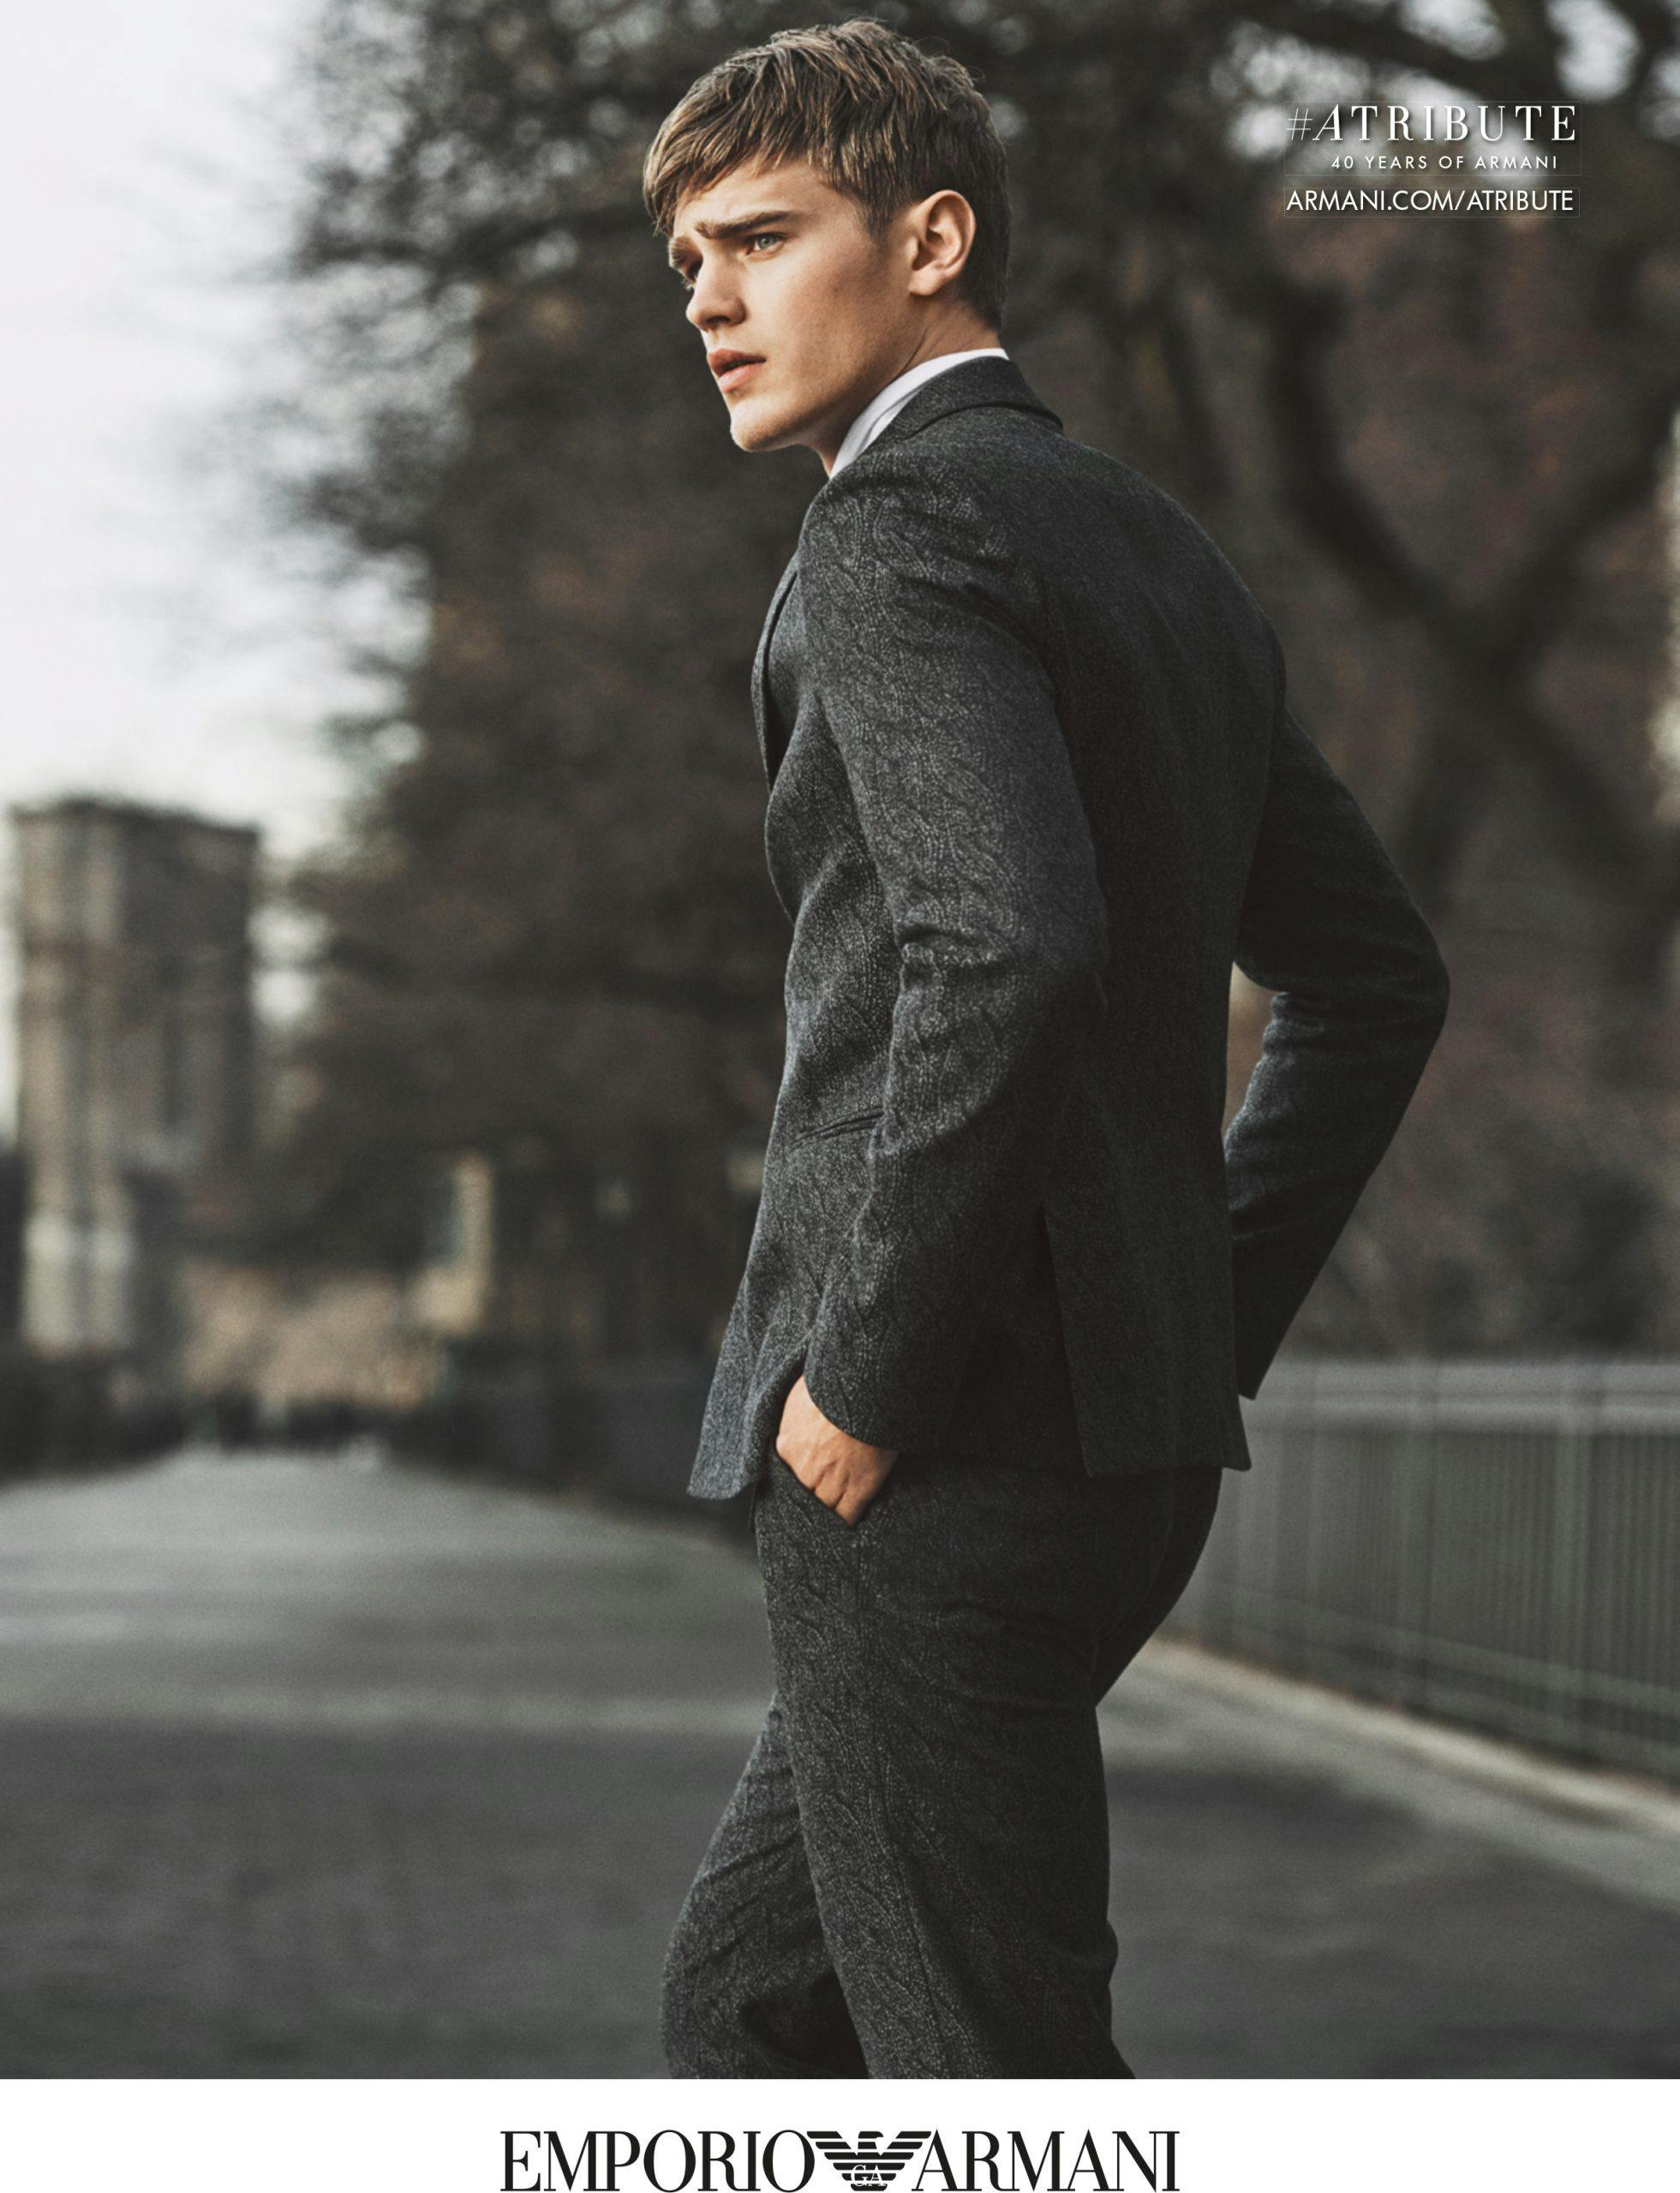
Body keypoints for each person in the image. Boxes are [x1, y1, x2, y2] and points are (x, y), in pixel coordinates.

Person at [641, 18, 1450, 2077]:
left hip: (939, 1446)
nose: (711, 299)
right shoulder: (1153, 546)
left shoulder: (895, 528)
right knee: (755, 2007)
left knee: (990, 2081)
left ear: (931, 239)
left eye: (762, 239)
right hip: (1113, 1451)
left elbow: (1006, 945)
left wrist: (866, 1372)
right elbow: (1377, 980)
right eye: (690, 261)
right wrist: (1195, 1320)